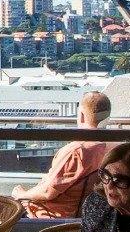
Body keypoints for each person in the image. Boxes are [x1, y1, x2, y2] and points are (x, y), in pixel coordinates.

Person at [16, 90, 113, 218]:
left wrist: (22, 194)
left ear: (82, 115)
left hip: (51, 216)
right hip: (81, 215)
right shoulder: (110, 149)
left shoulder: (77, 152)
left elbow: (47, 192)